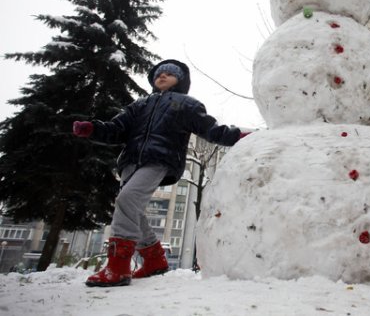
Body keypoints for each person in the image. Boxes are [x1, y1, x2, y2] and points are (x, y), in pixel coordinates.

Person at [73, 59, 247, 287]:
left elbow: (210, 130)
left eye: (169, 73)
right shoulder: (140, 105)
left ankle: (117, 267)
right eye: (158, 73)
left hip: (158, 160)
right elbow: (117, 129)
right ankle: (154, 258)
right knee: (132, 209)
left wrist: (238, 136)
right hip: (130, 161)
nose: (162, 76)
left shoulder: (186, 104)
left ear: (181, 79)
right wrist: (94, 129)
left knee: (127, 200)